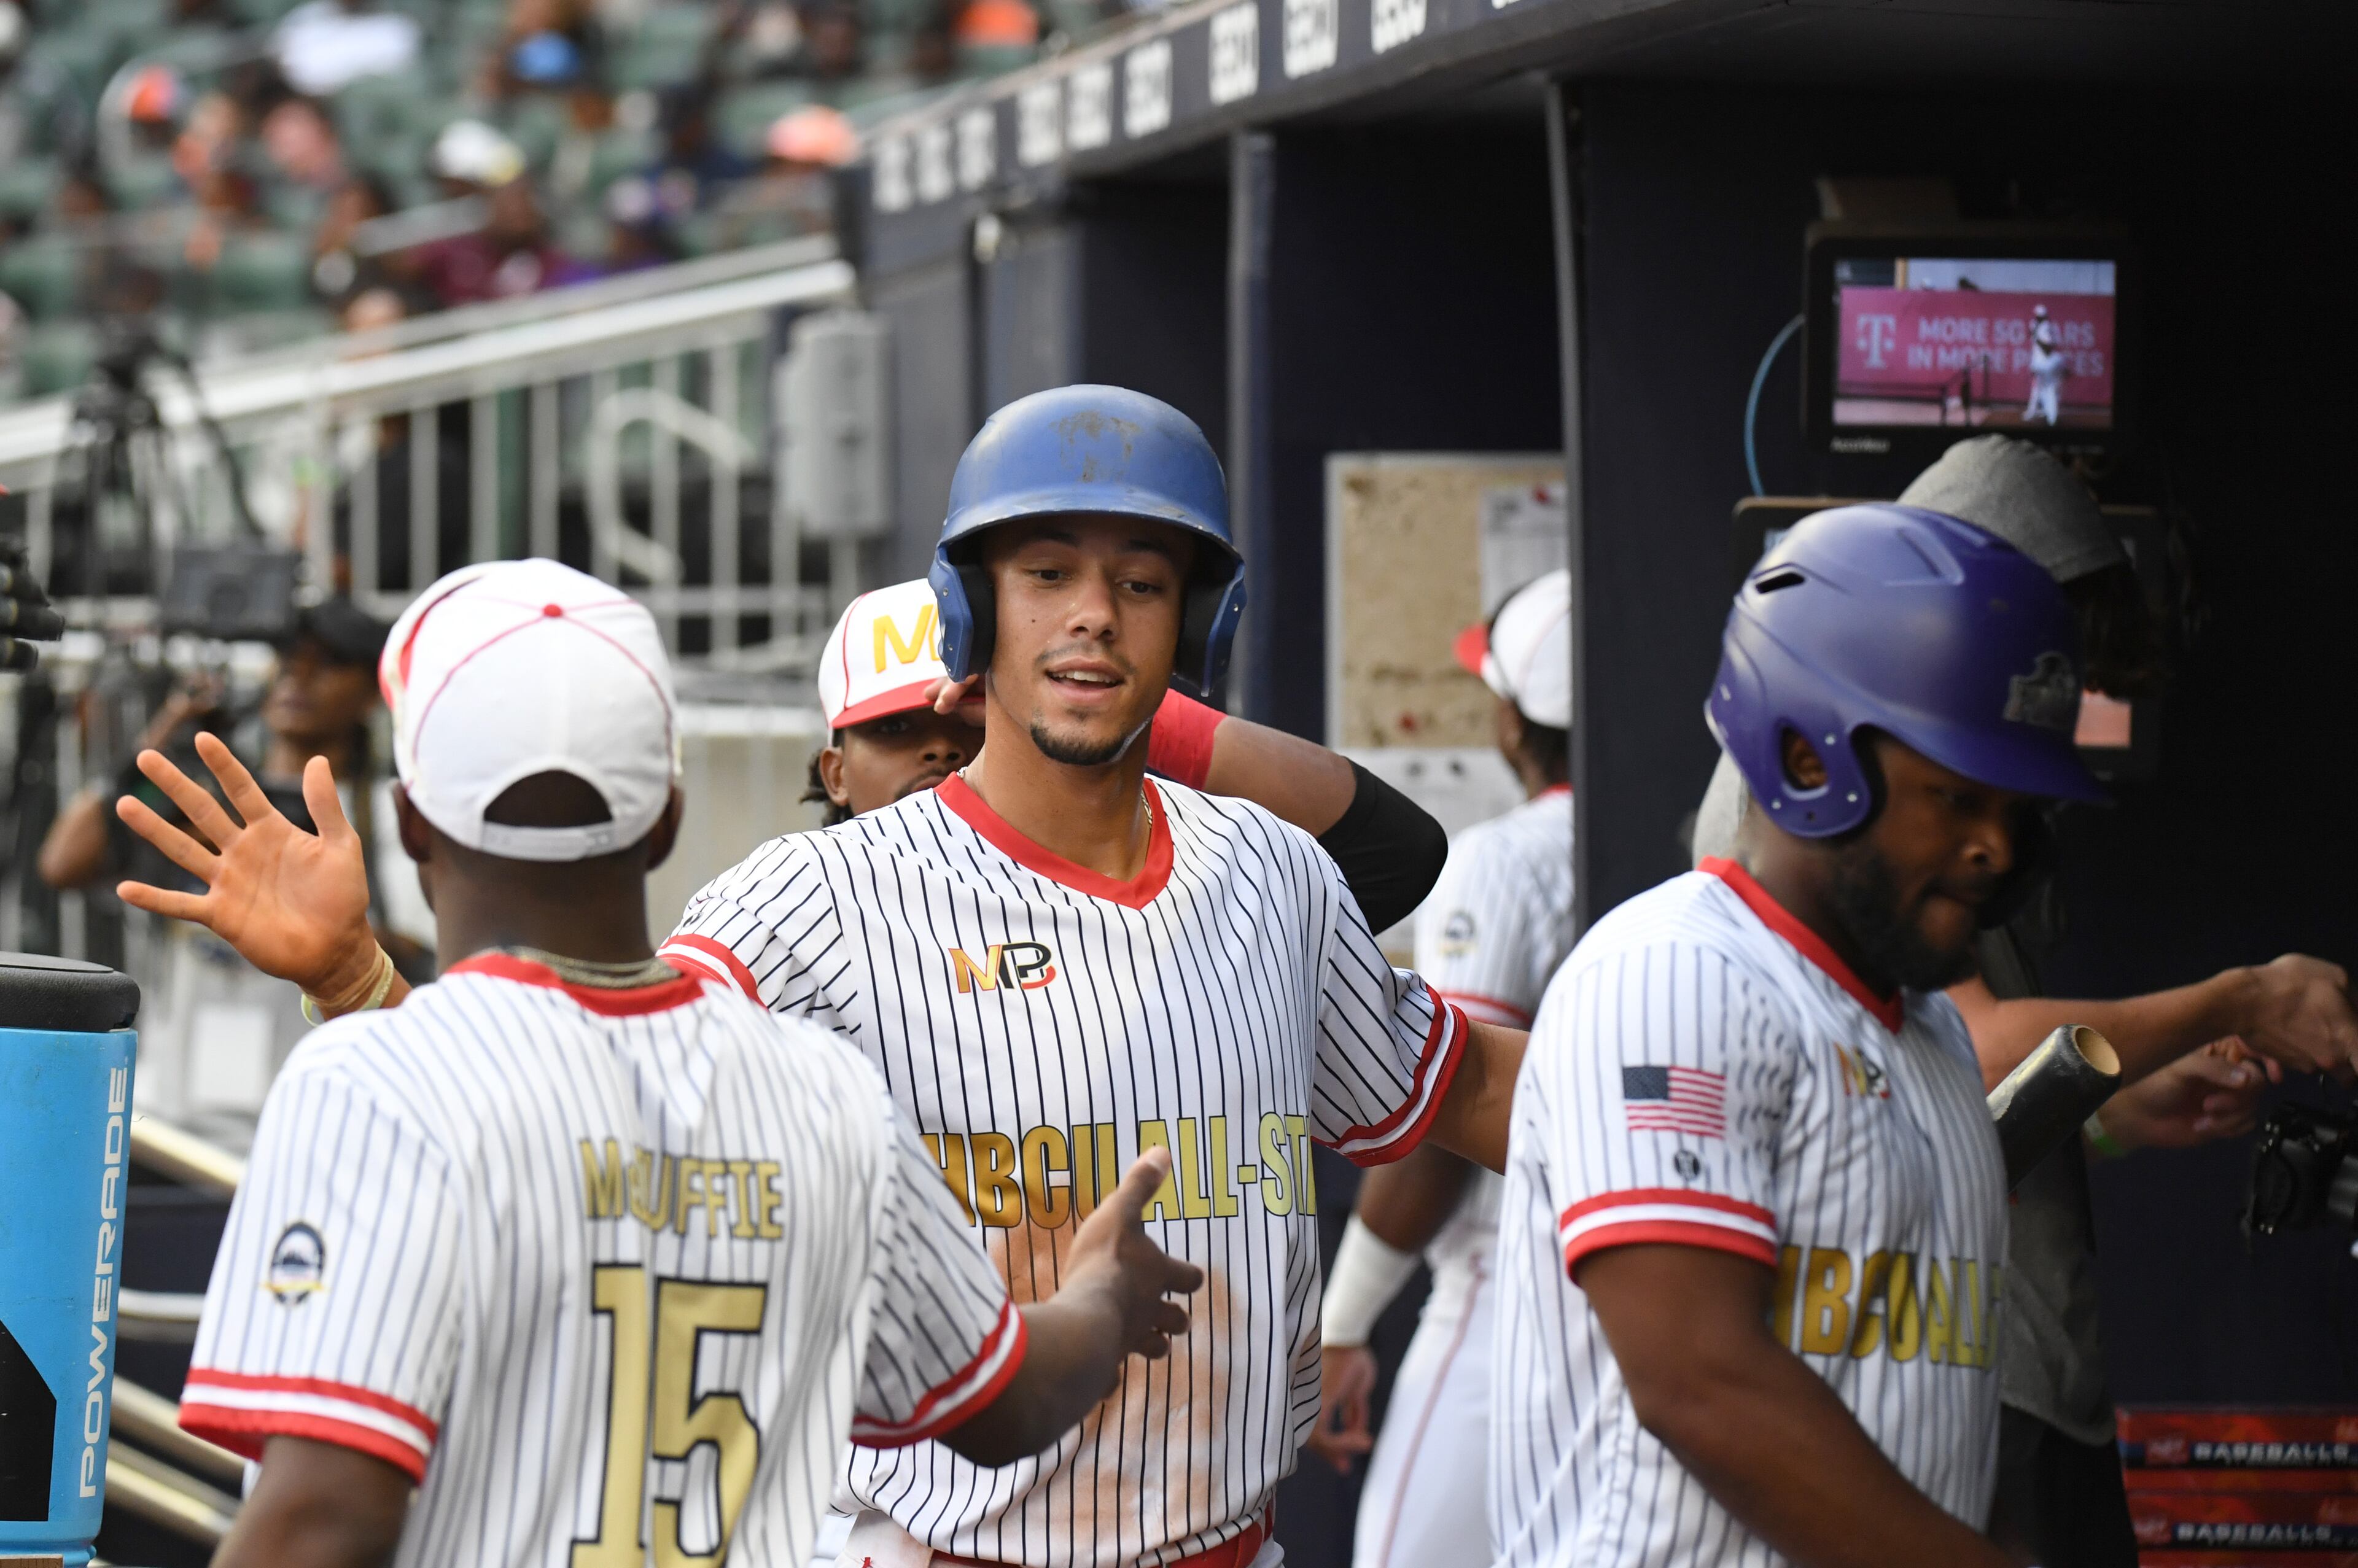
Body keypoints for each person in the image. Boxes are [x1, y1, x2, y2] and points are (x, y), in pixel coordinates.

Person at [121, 385, 1534, 1568]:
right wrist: (364, 978)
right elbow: (567, 1103)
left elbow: (1460, 1077)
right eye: (1046, 574)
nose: (1093, 617)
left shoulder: (1271, 873)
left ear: (1191, 621)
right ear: (972, 612)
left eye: (1139, 582)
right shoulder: (820, 897)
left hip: (1235, 1534)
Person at [141, 559, 1200, 1566]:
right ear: (666, 819)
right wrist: (1102, 1293)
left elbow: (322, 1516)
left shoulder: (370, 1078)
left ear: (412, 821)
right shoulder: (828, 1094)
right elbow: (1004, 1401)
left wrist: (353, 988)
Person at [1690, 436, 2358, 1568]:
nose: (1997, 836)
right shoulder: (1688, 933)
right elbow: (1980, 1040)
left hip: (1995, 1356)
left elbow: (1938, 1081)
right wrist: (2238, 997)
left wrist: (2109, 1102)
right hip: (1953, 1374)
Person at [1496, 503, 2108, 1568]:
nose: (1994, 847)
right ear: (1806, 756)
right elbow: (1699, 1378)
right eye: (1959, 795)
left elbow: (1936, 1404)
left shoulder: (1931, 1035)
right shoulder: (1674, 969)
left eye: (2020, 811)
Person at [1307, 568, 1576, 1568]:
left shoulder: (1506, 857)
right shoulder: (1697, 838)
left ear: (1517, 717)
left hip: (1511, 1286)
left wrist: (1343, 1319)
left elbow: (1442, 1124)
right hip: (1665, 1283)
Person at [42, 597, 426, 1146]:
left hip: (305, 1132)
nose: (300, 675)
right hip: (170, 1129)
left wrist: (317, 929)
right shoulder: (202, 799)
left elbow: (414, 955)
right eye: (289, 658)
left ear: (372, 692)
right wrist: (162, 740)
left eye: (330, 661)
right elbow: (62, 863)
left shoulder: (385, 816)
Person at [2025, 304, 2064, 426]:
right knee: (2038, 388)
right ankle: (2038, 412)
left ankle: (2050, 416)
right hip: (2039, 362)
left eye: (2039, 316)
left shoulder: (2046, 327)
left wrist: (2036, 336)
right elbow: (2031, 337)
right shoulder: (2037, 326)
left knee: (2049, 390)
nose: (2036, 317)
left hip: (2046, 364)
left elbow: (2048, 348)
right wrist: (2033, 332)